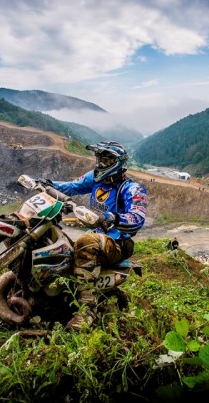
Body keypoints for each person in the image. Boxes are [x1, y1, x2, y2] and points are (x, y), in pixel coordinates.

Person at [37, 141, 148, 331]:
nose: (101, 164)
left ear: (118, 163)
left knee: (85, 241)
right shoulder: (96, 179)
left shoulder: (132, 189)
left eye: (106, 160)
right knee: (60, 243)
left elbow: (137, 217)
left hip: (116, 243)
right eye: (99, 158)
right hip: (96, 236)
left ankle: (87, 308)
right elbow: (72, 186)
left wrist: (114, 217)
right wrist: (48, 184)